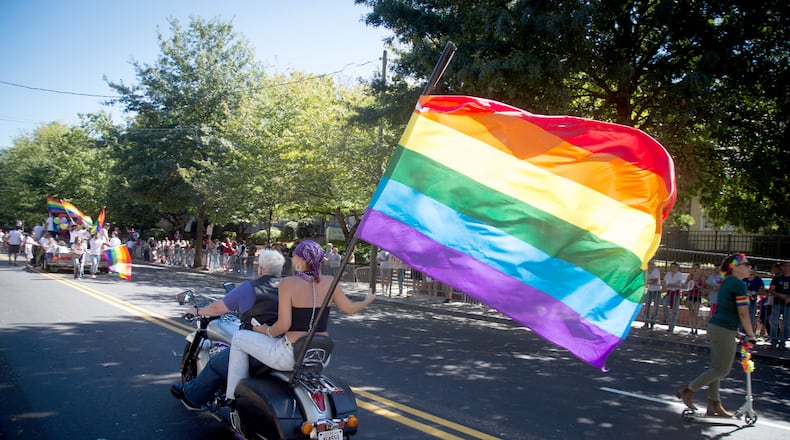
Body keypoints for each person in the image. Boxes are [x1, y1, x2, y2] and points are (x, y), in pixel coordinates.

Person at [224, 240, 375, 402]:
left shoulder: (288, 283)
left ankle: (231, 397)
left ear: (302, 260)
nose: (293, 258)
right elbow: (350, 309)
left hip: (290, 355)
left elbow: (283, 325)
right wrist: (367, 300)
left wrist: (265, 330)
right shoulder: (330, 281)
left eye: (295, 255)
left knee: (239, 338)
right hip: (321, 357)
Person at [170, 249, 286, 410]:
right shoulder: (290, 287)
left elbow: (217, 308)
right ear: (281, 270)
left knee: (216, 364)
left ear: (260, 269)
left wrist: (196, 311)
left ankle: (192, 397)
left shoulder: (249, 288)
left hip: (255, 349)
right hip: (283, 347)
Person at [677, 253, 756, 417]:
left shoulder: (728, 282)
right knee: (722, 369)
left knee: (716, 368)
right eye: (747, 264)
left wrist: (737, 332)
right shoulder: (738, 284)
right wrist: (751, 334)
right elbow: (743, 312)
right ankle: (689, 390)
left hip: (718, 327)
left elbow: (726, 310)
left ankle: (714, 404)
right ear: (735, 267)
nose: (750, 267)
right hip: (723, 329)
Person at [767, 261, 790, 350]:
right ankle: (773, 342)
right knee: (774, 323)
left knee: (787, 325)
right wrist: (780, 295)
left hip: (788, 305)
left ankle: (783, 343)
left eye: (788, 266)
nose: (786, 268)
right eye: (785, 266)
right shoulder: (777, 278)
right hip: (777, 303)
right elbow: (771, 290)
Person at [663, 262, 685, 332]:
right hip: (669, 292)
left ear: (677, 268)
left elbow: (677, 283)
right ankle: (666, 318)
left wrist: (668, 284)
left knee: (675, 310)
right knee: (664, 304)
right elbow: (664, 281)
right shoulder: (668, 274)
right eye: (671, 267)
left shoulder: (679, 274)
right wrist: (666, 284)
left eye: (674, 267)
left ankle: (671, 326)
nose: (672, 268)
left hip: (676, 293)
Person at [686, 263, 705, 336]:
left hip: (697, 296)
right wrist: (690, 282)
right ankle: (691, 329)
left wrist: (697, 285)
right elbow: (686, 284)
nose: (695, 269)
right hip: (690, 295)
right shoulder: (690, 276)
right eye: (693, 268)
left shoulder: (701, 277)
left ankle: (696, 329)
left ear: (699, 269)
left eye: (696, 268)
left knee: (696, 313)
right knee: (691, 313)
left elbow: (702, 286)